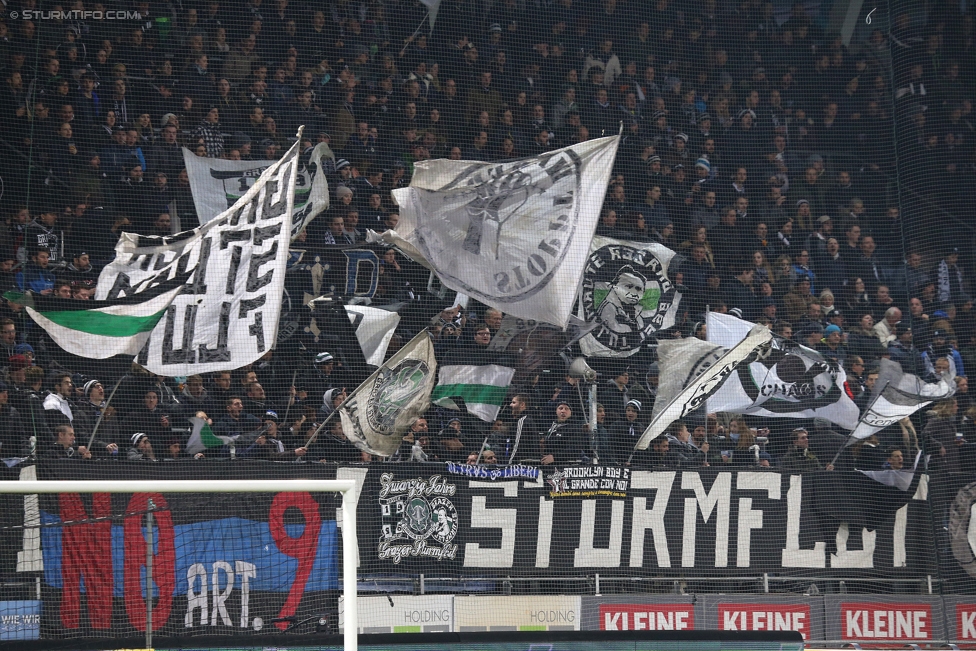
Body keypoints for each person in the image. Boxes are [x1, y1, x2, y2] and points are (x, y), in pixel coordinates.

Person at [539, 401, 585, 466]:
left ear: (571, 412)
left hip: (564, 466)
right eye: (560, 408)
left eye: (566, 409)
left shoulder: (574, 428)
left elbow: (575, 450)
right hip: (547, 464)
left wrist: (555, 457)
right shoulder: (551, 425)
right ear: (556, 411)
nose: (563, 411)